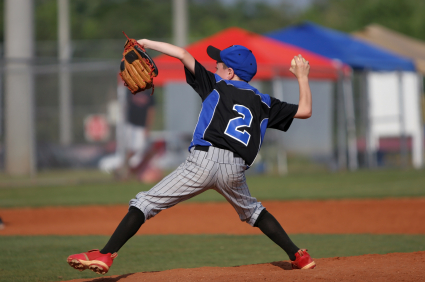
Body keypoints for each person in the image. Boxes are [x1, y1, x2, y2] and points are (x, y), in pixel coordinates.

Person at [67, 39, 315, 275]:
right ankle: (298, 256)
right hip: (235, 169)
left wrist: (146, 43)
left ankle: (105, 254)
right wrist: (302, 77)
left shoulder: (216, 85)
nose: (214, 67)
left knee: (144, 202)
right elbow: (305, 110)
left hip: (203, 161)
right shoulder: (264, 102)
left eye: (219, 64)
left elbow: (183, 54)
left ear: (229, 73)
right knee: (254, 212)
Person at [99, 88, 156, 180]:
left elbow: (151, 111)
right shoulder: (130, 90)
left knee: (138, 149)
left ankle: (126, 169)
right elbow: (124, 106)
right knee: (128, 149)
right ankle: (125, 171)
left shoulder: (149, 93)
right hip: (129, 125)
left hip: (141, 127)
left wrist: (148, 127)